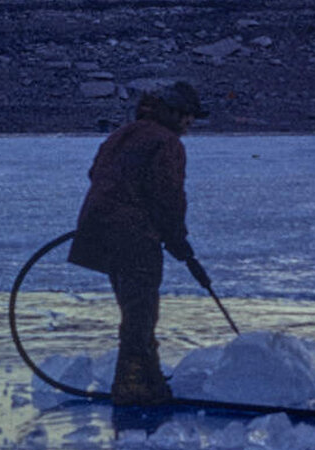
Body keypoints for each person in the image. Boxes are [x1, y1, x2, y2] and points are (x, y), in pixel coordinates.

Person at [68, 82, 210, 406]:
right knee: (141, 311)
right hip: (132, 234)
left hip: (99, 230)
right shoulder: (167, 142)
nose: (189, 123)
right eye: (187, 116)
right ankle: (133, 385)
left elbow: (96, 173)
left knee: (133, 306)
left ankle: (149, 379)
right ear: (171, 112)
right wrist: (177, 240)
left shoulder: (125, 133)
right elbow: (167, 196)